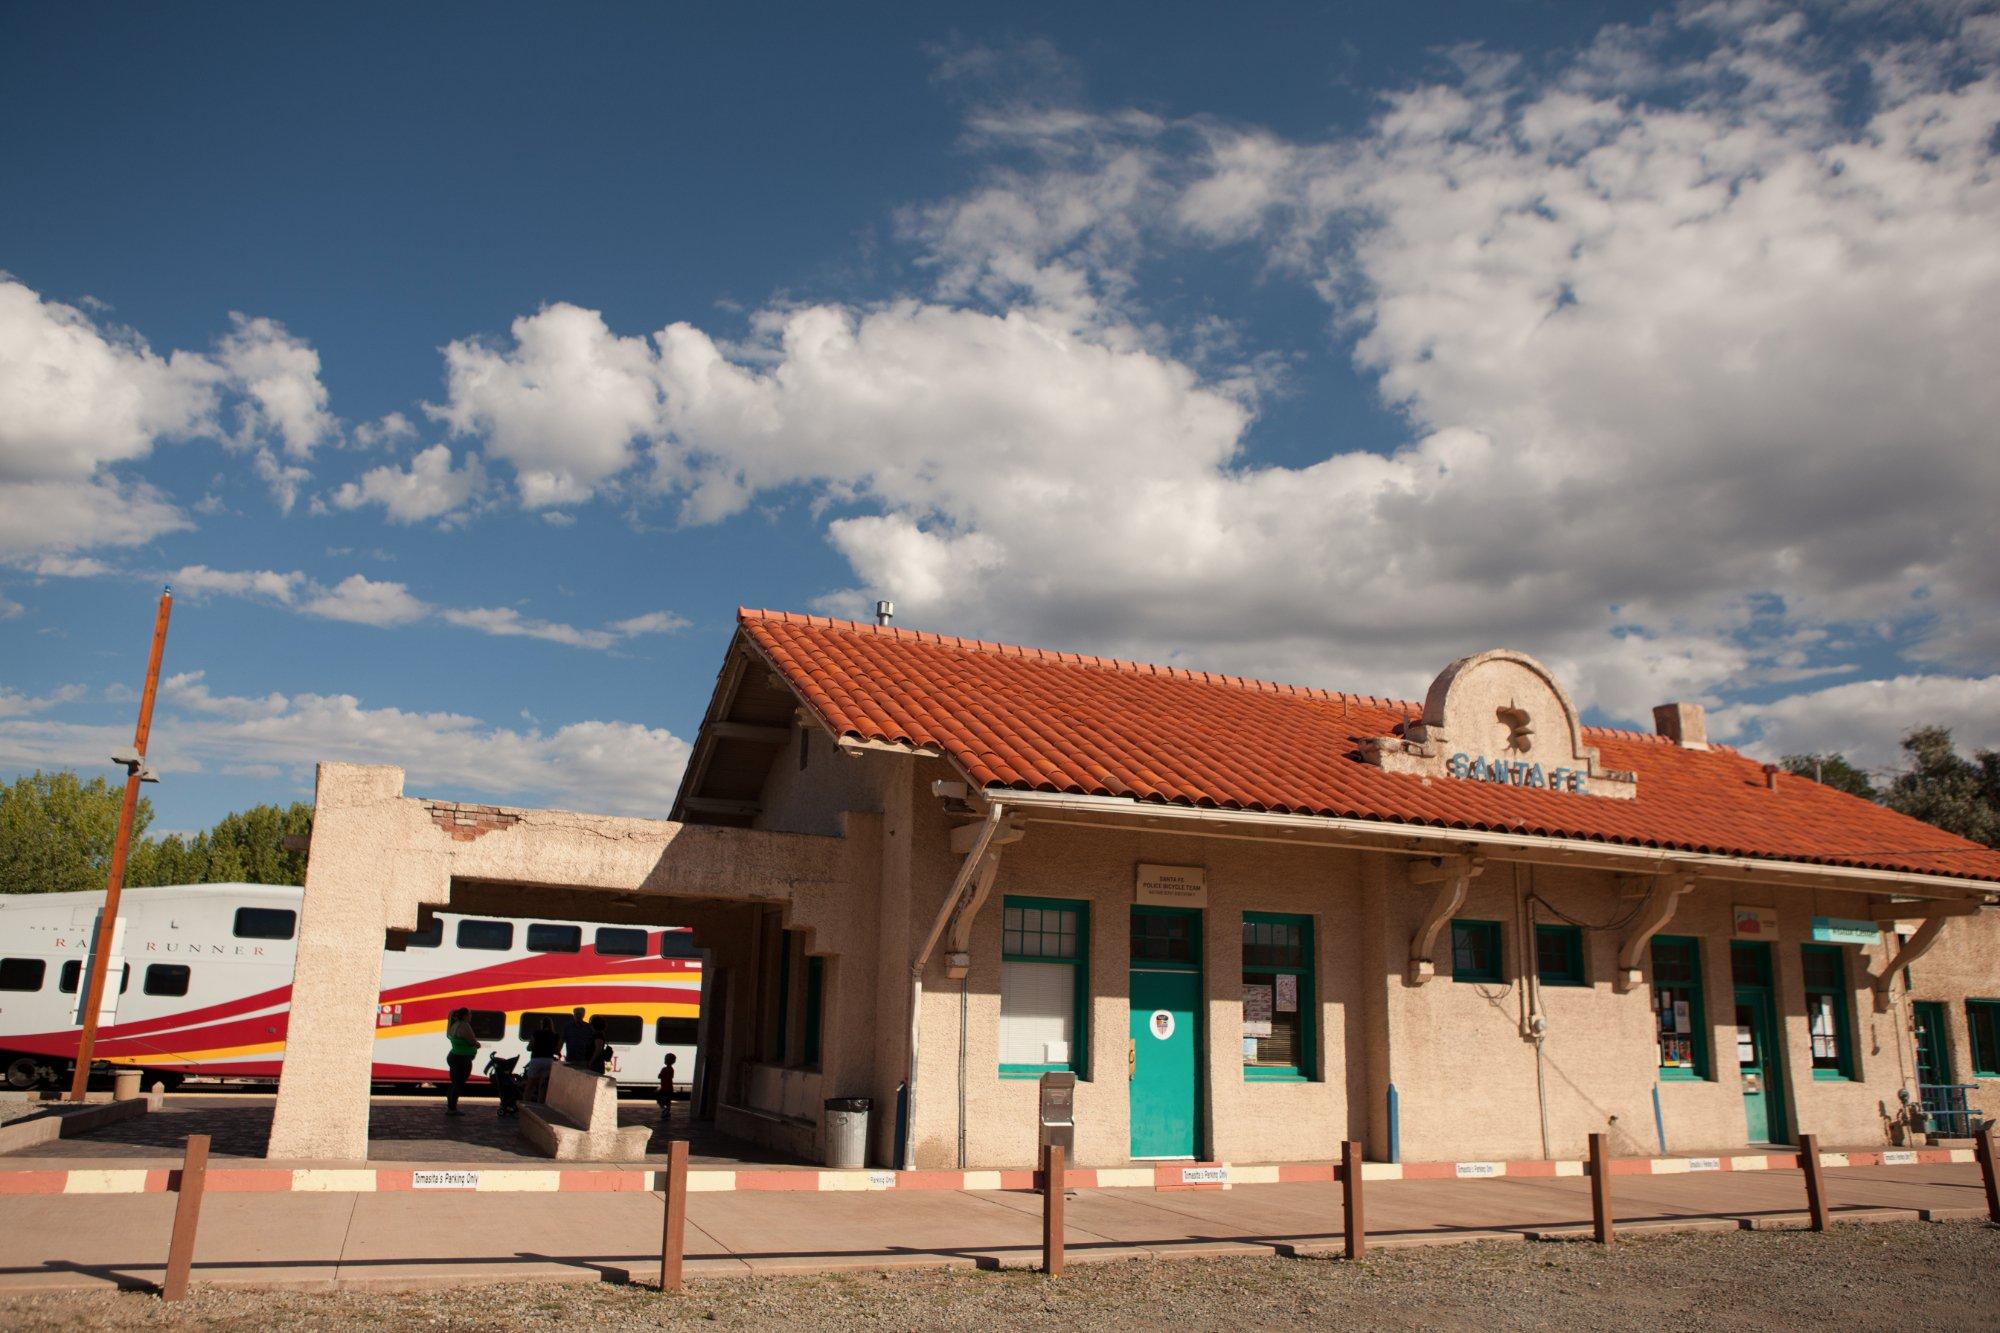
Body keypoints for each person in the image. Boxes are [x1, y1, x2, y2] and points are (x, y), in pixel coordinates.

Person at [443, 1007, 480, 1116]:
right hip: (462, 1058)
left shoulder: (455, 1024)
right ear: (464, 1016)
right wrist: (477, 1045)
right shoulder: (464, 1026)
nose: (471, 1016)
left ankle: (450, 1106)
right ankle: (452, 1109)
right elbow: (472, 1041)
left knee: (454, 1083)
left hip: (454, 1056)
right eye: (469, 1014)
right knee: (458, 1084)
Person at [523, 1017, 559, 1102]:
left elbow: (529, 1047)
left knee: (530, 1085)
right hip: (549, 1061)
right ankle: (540, 1104)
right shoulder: (555, 1035)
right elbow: (556, 1050)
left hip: (536, 1060)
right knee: (543, 1085)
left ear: (542, 1024)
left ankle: (525, 1103)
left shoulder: (536, 1033)